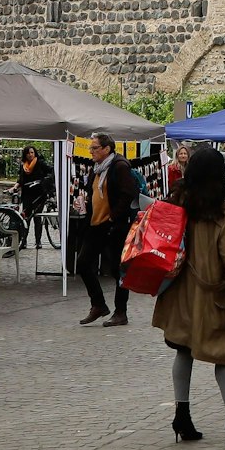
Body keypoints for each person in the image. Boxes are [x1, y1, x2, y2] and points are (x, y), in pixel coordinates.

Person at [154, 145, 225, 446]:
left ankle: (182, 416)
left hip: (178, 295)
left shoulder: (176, 206)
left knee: (183, 350)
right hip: (213, 298)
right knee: (224, 357)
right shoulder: (223, 216)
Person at [75, 132, 138, 327]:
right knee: (83, 263)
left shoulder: (119, 166)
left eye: (94, 148)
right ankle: (99, 304)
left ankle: (121, 312)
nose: (91, 151)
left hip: (114, 225)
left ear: (106, 149)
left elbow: (128, 194)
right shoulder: (96, 169)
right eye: (90, 148)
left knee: (118, 270)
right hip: (96, 223)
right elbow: (94, 193)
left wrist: (113, 217)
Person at [18, 145, 55, 249]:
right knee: (26, 217)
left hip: (39, 194)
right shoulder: (23, 166)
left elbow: (51, 171)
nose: (30, 155)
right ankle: (23, 241)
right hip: (27, 194)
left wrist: (45, 181)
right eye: (28, 153)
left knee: (37, 217)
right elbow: (20, 179)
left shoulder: (40, 163)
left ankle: (38, 241)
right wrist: (15, 186)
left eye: (32, 153)